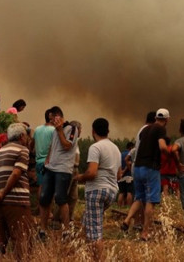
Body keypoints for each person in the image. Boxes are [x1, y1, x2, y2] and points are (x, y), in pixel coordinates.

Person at [121, 108, 171, 241]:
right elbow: (161, 147)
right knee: (151, 201)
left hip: (137, 168)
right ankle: (145, 232)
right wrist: (169, 154)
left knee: (139, 198)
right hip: (151, 168)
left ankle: (127, 220)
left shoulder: (144, 130)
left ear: (155, 117)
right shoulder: (161, 129)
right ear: (166, 120)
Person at [75, 117, 121, 260]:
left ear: (93, 131)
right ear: (108, 131)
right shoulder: (116, 149)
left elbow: (92, 173)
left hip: (96, 191)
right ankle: (81, 253)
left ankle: (99, 259)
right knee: (86, 221)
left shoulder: (95, 147)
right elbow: (119, 175)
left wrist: (80, 177)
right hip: (112, 191)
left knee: (95, 232)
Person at [0, 123, 34, 258]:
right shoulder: (22, 150)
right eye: (25, 136)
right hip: (17, 202)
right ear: (21, 136)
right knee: (23, 241)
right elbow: (16, 173)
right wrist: (3, 192)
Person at [38, 107, 79, 238]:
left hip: (63, 169)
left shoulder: (71, 128)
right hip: (50, 168)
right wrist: (47, 161)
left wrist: (60, 130)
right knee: (44, 199)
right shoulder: (55, 130)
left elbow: (67, 145)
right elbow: (52, 146)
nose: (51, 122)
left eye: (52, 119)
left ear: (58, 116)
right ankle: (42, 230)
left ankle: (66, 230)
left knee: (61, 199)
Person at [33, 108, 56, 198]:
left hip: (38, 162)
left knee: (41, 186)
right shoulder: (54, 131)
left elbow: (32, 144)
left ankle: (41, 209)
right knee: (49, 188)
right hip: (49, 162)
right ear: (51, 118)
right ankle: (47, 210)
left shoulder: (37, 129)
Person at [117, 141, 135, 207]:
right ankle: (128, 206)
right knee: (129, 192)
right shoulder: (130, 154)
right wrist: (124, 171)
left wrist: (120, 173)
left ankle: (119, 206)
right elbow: (129, 164)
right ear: (131, 147)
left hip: (121, 177)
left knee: (121, 192)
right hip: (128, 175)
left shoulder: (120, 154)